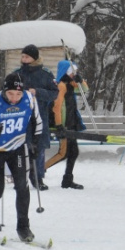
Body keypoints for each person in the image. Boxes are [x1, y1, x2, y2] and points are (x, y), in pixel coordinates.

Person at [0, 73, 45, 242]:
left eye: (18, 94)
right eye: (10, 94)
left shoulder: (29, 99)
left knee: (22, 186)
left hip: (17, 148)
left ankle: (23, 227)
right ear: (4, 91)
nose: (14, 98)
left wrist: (35, 144)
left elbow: (38, 124)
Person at [15, 44, 59, 190]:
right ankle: (20, 178)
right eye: (22, 56)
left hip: (40, 116)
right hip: (21, 116)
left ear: (34, 58)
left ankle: (38, 177)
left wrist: (38, 92)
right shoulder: (17, 74)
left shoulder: (45, 74)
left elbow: (54, 93)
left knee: (38, 148)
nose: (23, 59)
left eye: (26, 56)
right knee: (20, 148)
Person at [47, 59, 88, 189]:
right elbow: (57, 107)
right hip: (64, 123)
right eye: (72, 72)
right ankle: (37, 171)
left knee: (74, 152)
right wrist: (59, 125)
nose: (74, 74)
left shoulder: (71, 84)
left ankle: (67, 180)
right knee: (63, 153)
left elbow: (84, 90)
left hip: (72, 122)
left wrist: (81, 81)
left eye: (75, 72)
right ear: (65, 72)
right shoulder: (61, 86)